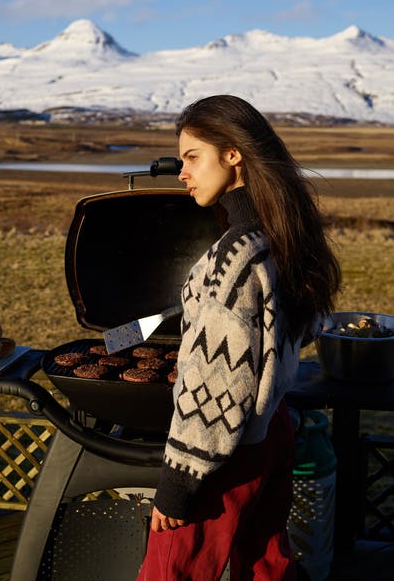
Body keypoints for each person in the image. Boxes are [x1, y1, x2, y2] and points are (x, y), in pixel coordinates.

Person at [137, 95, 341, 581]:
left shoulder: (236, 256)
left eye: (192, 157)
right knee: (266, 565)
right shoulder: (282, 234)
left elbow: (218, 381)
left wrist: (179, 482)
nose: (182, 172)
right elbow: (298, 330)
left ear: (233, 154)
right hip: (273, 431)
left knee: (172, 572)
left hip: (221, 453)